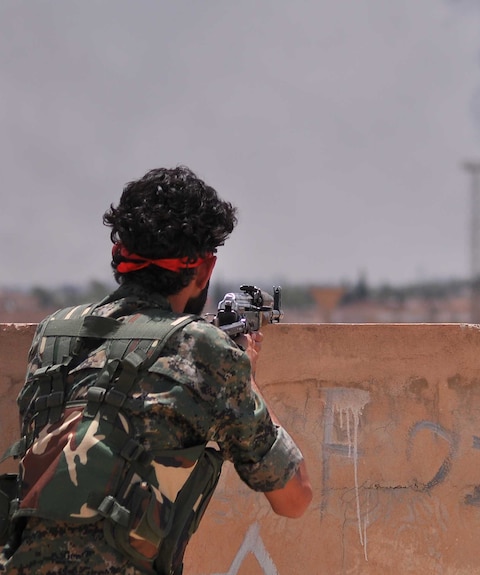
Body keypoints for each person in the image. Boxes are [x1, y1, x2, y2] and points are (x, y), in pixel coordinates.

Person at [1, 166, 312, 574]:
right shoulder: (203, 349)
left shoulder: (52, 336)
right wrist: (244, 377)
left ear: (120, 257)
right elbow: (294, 497)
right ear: (204, 269)